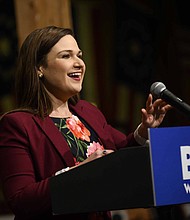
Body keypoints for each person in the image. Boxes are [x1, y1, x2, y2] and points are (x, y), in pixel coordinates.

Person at [0, 26, 171, 220]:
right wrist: (81, 172)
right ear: (40, 68)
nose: (79, 63)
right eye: (66, 56)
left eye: (79, 55)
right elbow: (20, 199)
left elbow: (121, 154)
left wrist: (144, 130)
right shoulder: (17, 124)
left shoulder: (87, 111)